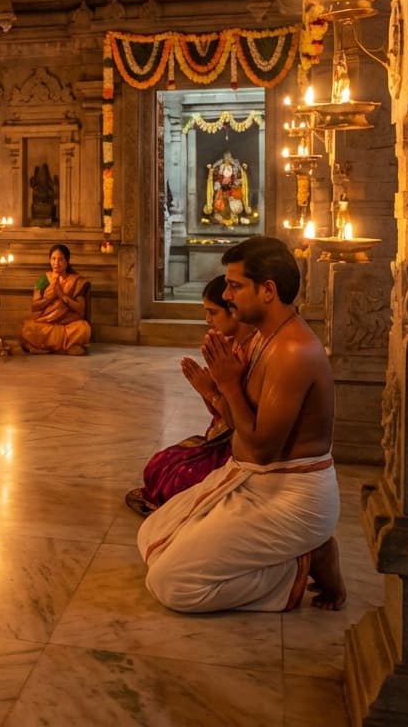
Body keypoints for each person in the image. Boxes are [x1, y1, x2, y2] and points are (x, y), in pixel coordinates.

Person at [137, 235, 345, 613]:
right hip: (253, 477)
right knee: (152, 535)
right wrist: (219, 391)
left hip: (291, 494)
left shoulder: (293, 351)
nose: (227, 296)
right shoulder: (264, 339)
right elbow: (237, 425)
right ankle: (295, 557)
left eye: (235, 286)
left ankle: (301, 565)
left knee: (172, 585)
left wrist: (229, 385)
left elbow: (264, 450)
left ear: (267, 290)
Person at [126, 276, 256, 516]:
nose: (208, 320)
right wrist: (209, 391)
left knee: (175, 478)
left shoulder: (247, 352)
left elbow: (237, 420)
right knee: (159, 464)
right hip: (221, 440)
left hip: (238, 451)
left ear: (233, 311)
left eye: (212, 312)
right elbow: (222, 413)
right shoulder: (233, 345)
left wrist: (210, 391)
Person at [20, 243, 90, 355]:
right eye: (53, 259)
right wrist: (50, 298)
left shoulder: (76, 280)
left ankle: (50, 347)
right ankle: (65, 348)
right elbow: (34, 306)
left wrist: (62, 296)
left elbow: (81, 310)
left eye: (60, 259)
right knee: (28, 328)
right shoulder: (44, 279)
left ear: (67, 261)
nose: (56, 263)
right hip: (46, 323)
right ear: (49, 260)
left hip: (67, 324)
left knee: (83, 328)